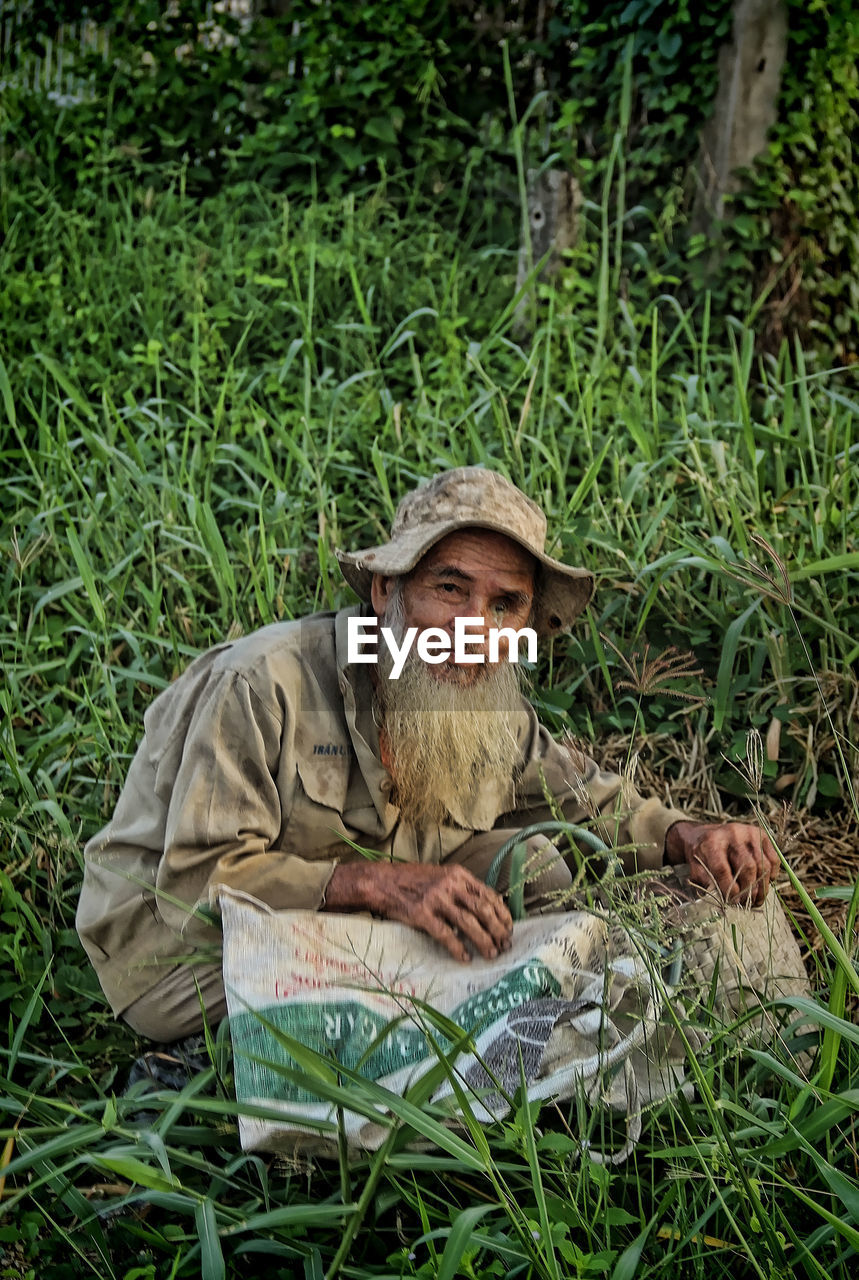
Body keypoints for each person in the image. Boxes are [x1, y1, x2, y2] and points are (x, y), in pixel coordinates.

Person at [76, 467, 780, 1044]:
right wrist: (381, 886)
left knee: (534, 863)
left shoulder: (485, 700)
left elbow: (587, 803)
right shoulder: (268, 682)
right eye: (450, 588)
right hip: (185, 950)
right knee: (381, 994)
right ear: (388, 589)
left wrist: (687, 834)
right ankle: (204, 1075)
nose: (474, 628)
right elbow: (196, 886)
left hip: (364, 924)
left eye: (505, 604)